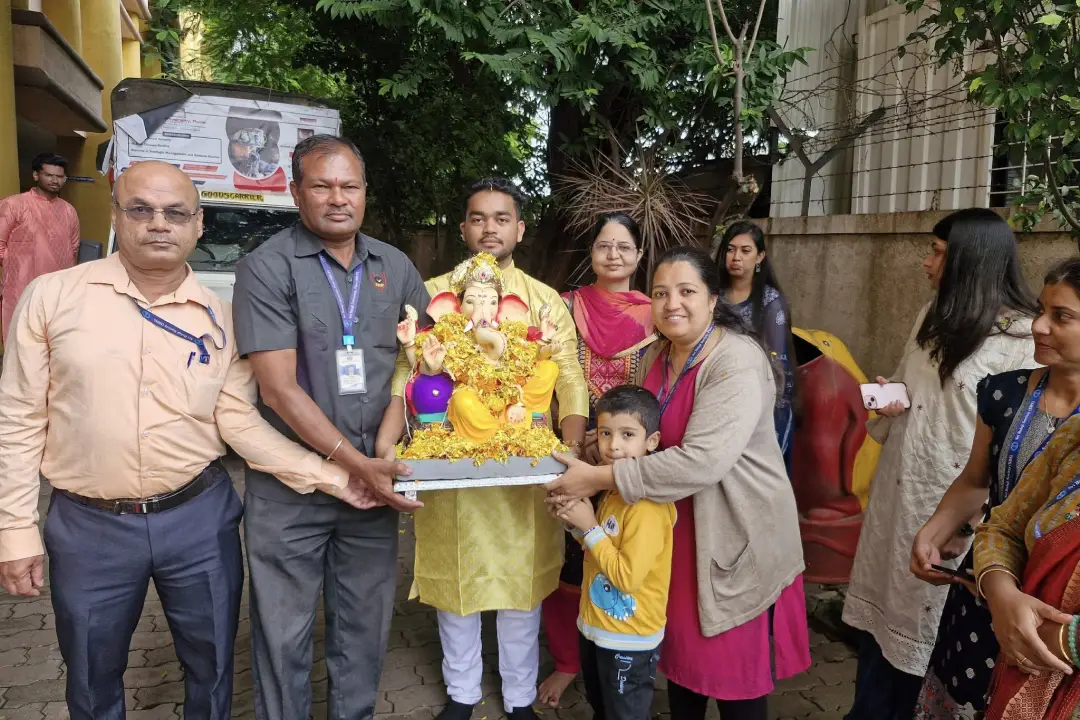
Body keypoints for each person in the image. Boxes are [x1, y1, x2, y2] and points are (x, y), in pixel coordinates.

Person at [0, 160, 376, 720]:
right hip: (89, 527)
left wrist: (337, 477)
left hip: (199, 520)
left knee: (213, 669)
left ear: (197, 225)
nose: (159, 224)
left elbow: (239, 424)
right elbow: (18, 418)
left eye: (176, 212)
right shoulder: (52, 298)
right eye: (142, 210)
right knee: (90, 676)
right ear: (116, 215)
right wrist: (15, 530)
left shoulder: (221, 318)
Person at [546, 246, 809, 720]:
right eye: (661, 293)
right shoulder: (659, 356)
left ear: (713, 300)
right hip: (672, 533)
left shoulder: (735, 361)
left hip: (732, 538)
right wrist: (590, 448)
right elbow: (639, 432)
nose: (673, 304)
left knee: (734, 682)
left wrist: (599, 477)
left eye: (687, 291)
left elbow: (701, 462)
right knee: (683, 669)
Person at [231, 134, 429, 720]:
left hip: (374, 489)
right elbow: (277, 388)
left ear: (366, 194)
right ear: (296, 192)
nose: (337, 198)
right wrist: (354, 462)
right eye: (321, 185)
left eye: (349, 185)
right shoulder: (266, 267)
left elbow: (415, 369)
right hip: (293, 492)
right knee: (282, 638)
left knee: (363, 634)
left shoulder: (395, 267)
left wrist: (384, 454)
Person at [390, 177, 589, 720]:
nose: (489, 229)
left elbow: (569, 375)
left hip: (524, 465)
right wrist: (399, 446)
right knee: (457, 581)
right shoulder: (430, 296)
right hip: (450, 463)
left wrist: (568, 448)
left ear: (519, 229)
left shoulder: (544, 301)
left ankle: (520, 697)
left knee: (521, 587)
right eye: (478, 218)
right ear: (463, 228)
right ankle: (462, 694)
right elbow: (405, 373)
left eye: (501, 218)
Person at [841, 208, 1039, 720]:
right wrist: (891, 397)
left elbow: (1015, 452)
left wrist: (969, 523)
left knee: (930, 653)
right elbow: (915, 389)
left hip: (955, 517)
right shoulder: (933, 317)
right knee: (878, 642)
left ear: (972, 262)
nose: (927, 264)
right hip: (899, 498)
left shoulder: (1021, 345)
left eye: (939, 253)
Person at [910, 257, 1080, 720]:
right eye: (1042, 310)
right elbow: (976, 481)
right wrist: (936, 529)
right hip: (986, 587)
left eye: (1061, 316)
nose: (1039, 326)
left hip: (1054, 614)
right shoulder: (1003, 393)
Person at [539, 211, 656, 707]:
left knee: (626, 556)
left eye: (623, 247)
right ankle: (569, 660)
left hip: (633, 458)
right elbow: (546, 374)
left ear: (638, 255)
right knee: (568, 564)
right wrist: (575, 440)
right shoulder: (565, 307)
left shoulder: (657, 314)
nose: (614, 255)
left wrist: (620, 444)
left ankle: (627, 653)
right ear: (590, 253)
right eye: (604, 246)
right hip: (572, 450)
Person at [550, 385, 673, 720]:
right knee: (603, 708)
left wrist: (589, 526)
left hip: (629, 642)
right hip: (596, 629)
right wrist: (574, 523)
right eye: (605, 433)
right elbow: (599, 552)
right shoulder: (612, 491)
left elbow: (627, 578)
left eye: (627, 434)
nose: (613, 445)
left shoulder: (647, 507)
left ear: (652, 441)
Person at [716, 220, 796, 471]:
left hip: (760, 399)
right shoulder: (713, 295)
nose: (736, 257)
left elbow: (778, 362)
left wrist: (773, 413)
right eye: (730, 249)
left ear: (760, 256)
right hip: (717, 392)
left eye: (745, 251)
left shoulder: (770, 302)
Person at [0, 152, 80, 342]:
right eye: (49, 175)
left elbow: (73, 248)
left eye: (60, 176)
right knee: (19, 339)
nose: (55, 180)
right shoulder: (14, 205)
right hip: (20, 287)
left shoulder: (68, 211)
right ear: (36, 175)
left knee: (52, 341)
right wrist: (15, 268)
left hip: (57, 290)